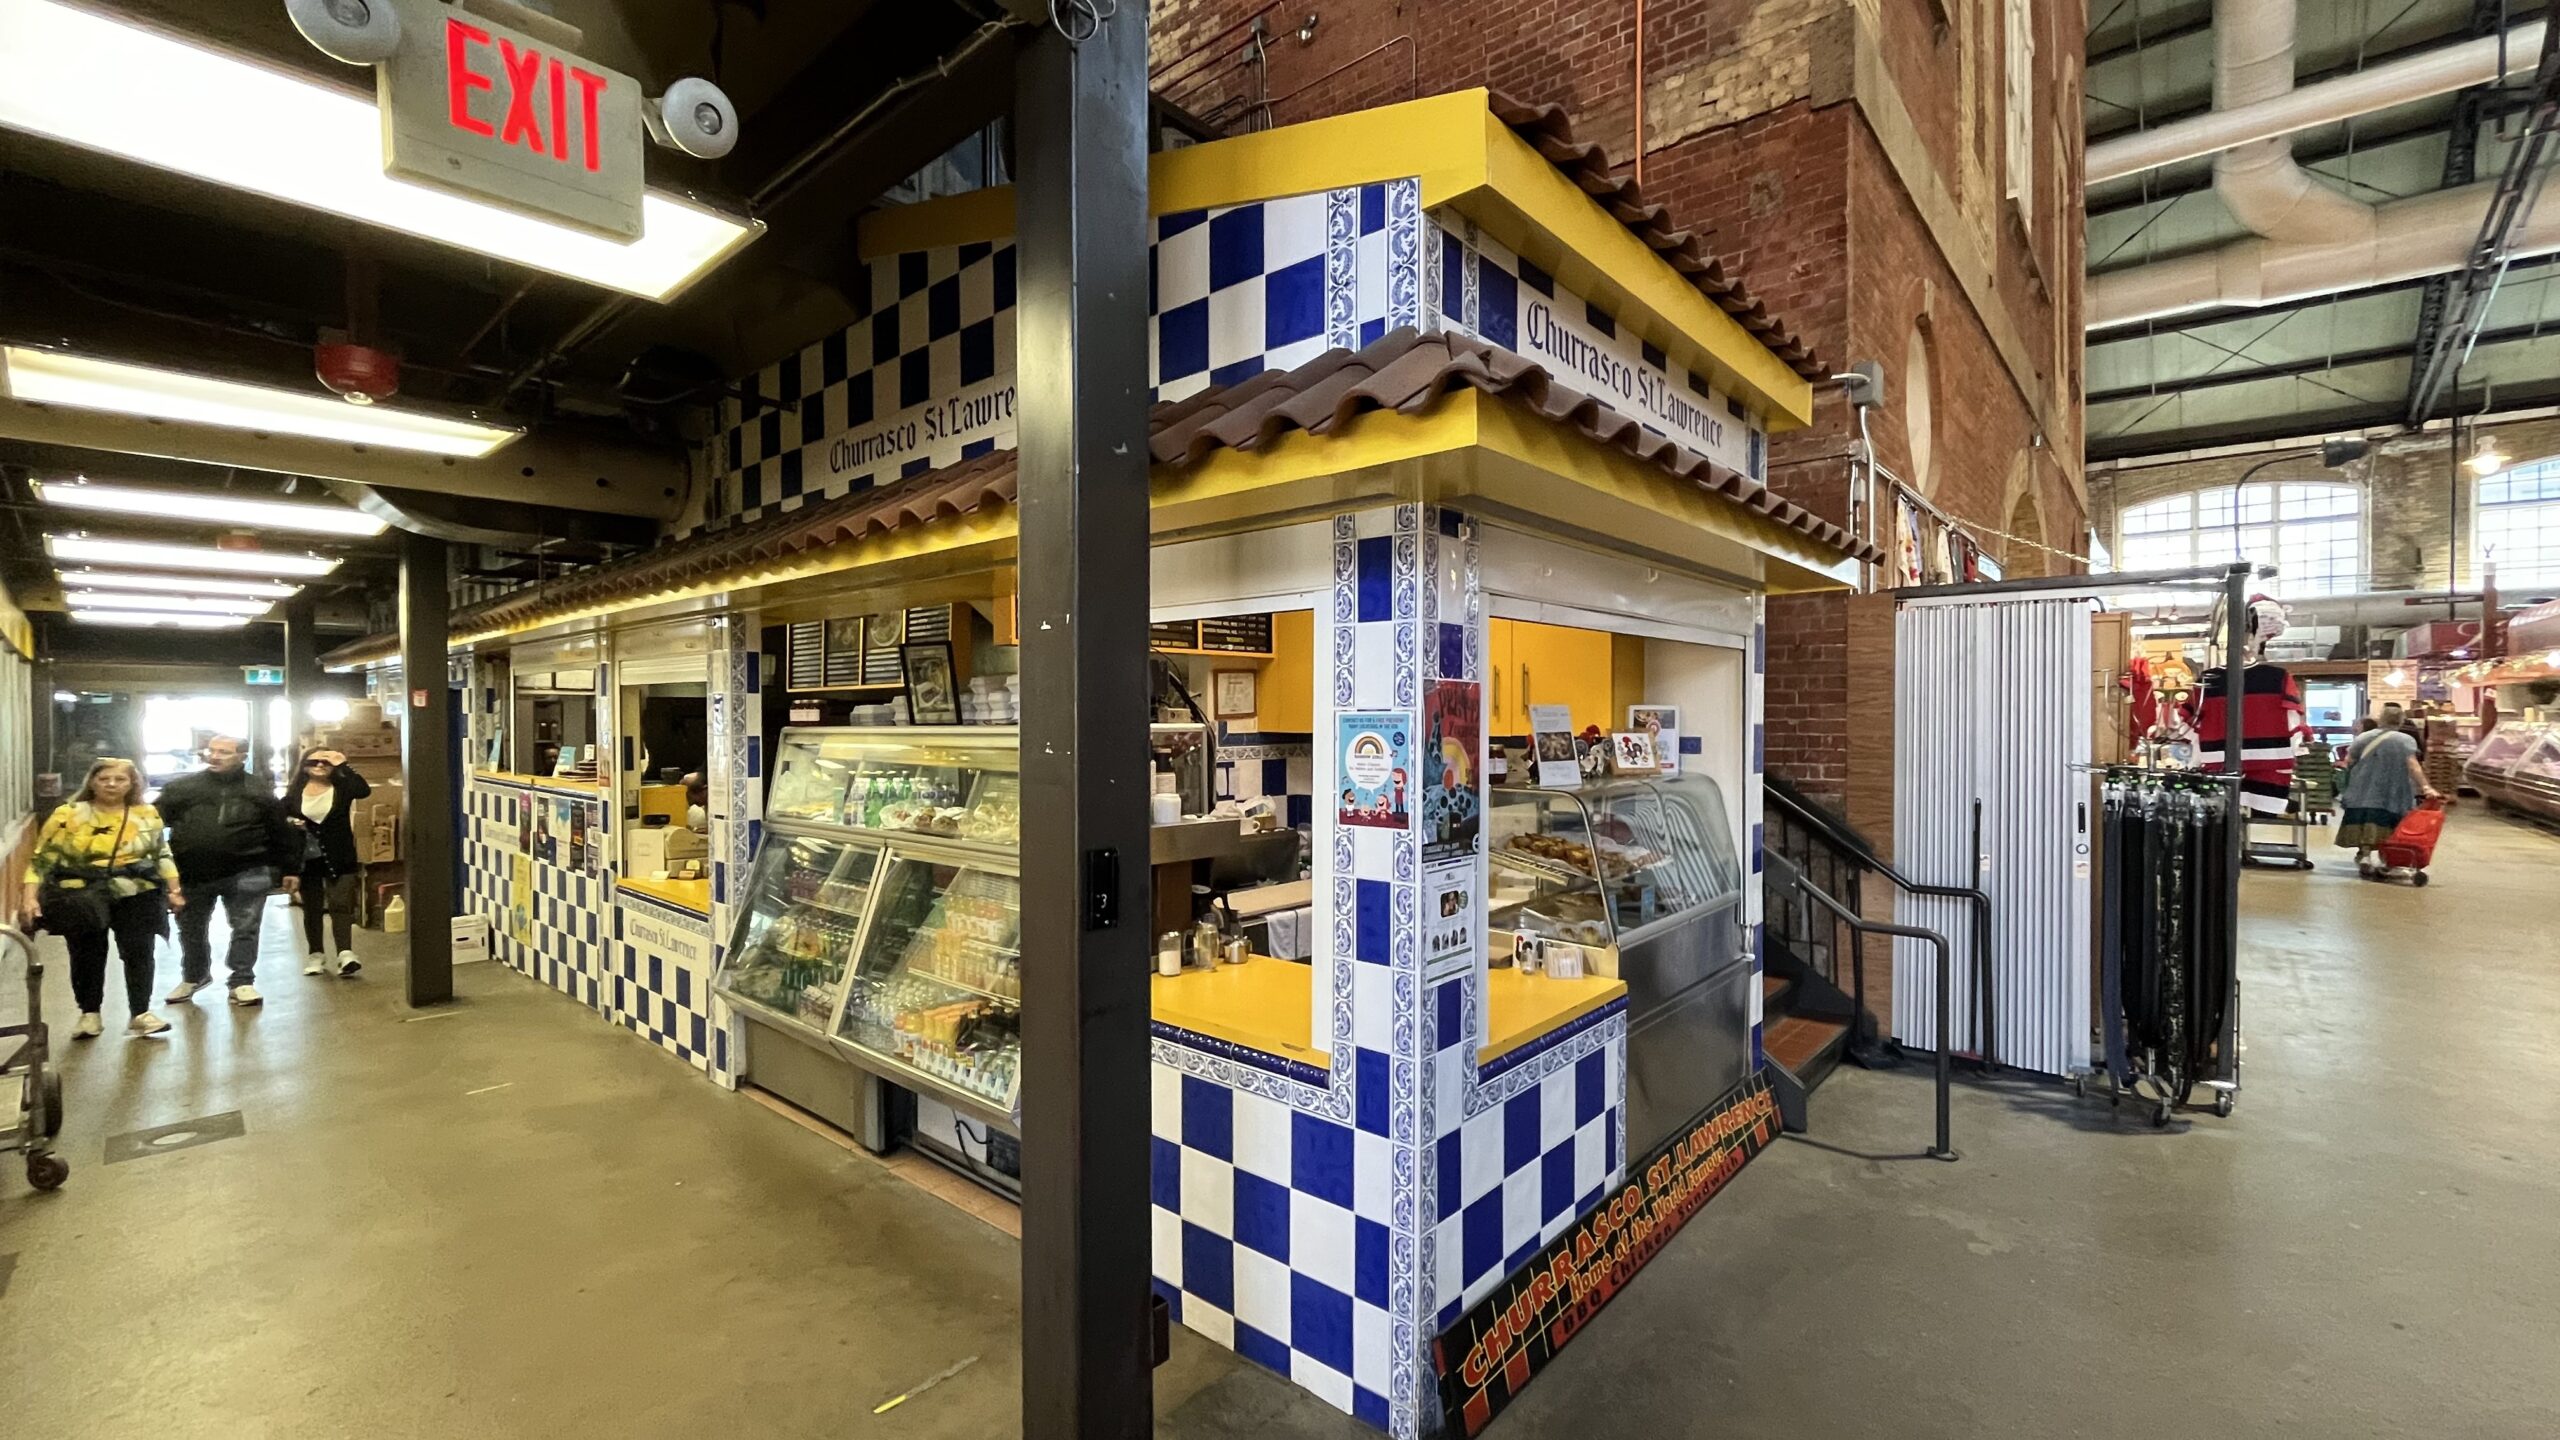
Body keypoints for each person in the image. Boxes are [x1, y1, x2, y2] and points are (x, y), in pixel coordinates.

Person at [21, 757, 183, 1038]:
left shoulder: (146, 814)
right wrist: (29, 897)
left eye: (120, 779)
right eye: (104, 779)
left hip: (137, 891)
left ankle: (141, 1013)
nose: (111, 784)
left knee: (139, 952)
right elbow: (42, 859)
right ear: (92, 782)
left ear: (132, 783)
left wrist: (174, 890)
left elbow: (162, 854)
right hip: (82, 892)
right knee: (86, 953)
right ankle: (89, 1013)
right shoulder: (68, 814)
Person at [157, 735, 299, 1006]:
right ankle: (195, 975)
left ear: (242, 757)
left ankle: (242, 981)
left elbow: (280, 831)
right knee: (190, 928)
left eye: (224, 752)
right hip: (192, 871)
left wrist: (290, 868)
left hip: (247, 869)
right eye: (211, 750)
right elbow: (152, 822)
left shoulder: (258, 790)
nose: (214, 756)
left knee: (245, 927)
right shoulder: (183, 788)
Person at [285, 747, 369, 979]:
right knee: (312, 908)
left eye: (326, 762)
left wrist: (343, 764)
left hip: (340, 854)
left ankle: (345, 953)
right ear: (304, 766)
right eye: (314, 762)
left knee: (340, 904)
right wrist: (291, 822)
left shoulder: (342, 788)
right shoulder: (294, 794)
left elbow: (363, 790)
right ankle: (316, 954)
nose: (320, 765)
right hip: (308, 857)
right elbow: (280, 818)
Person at [2335, 713, 2439, 874]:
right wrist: (2426, 786)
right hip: (2395, 790)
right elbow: (2413, 765)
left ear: (2381, 720)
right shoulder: (2405, 740)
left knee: (2366, 818)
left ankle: (2365, 855)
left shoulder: (2363, 738)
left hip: (2364, 788)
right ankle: (2388, 859)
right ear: (2401, 722)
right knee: (2392, 823)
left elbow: (2349, 761)